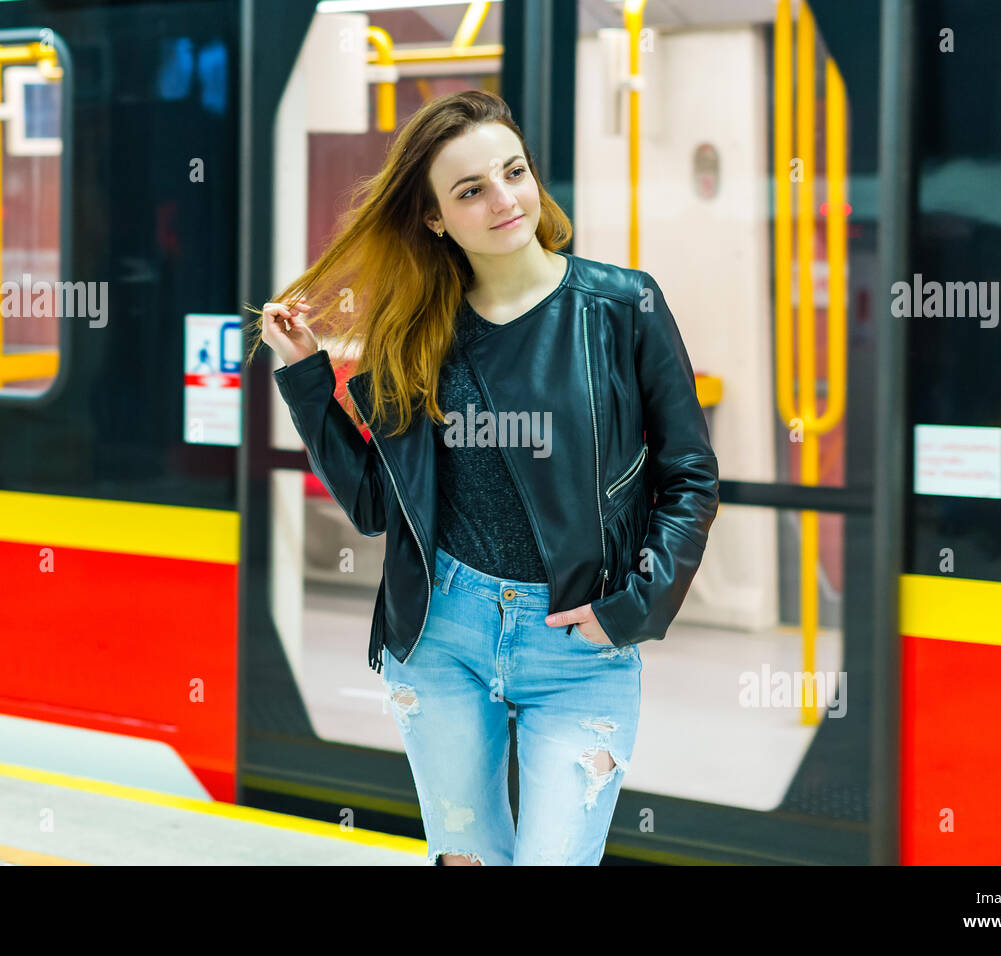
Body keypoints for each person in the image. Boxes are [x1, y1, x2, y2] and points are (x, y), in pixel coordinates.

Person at [251, 90, 718, 865]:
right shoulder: (416, 331)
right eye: (471, 190)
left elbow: (689, 476)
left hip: (577, 646)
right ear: (435, 217)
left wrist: (637, 604)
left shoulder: (622, 306)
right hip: (442, 634)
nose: (505, 199)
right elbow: (374, 504)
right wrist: (307, 378)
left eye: (514, 172)